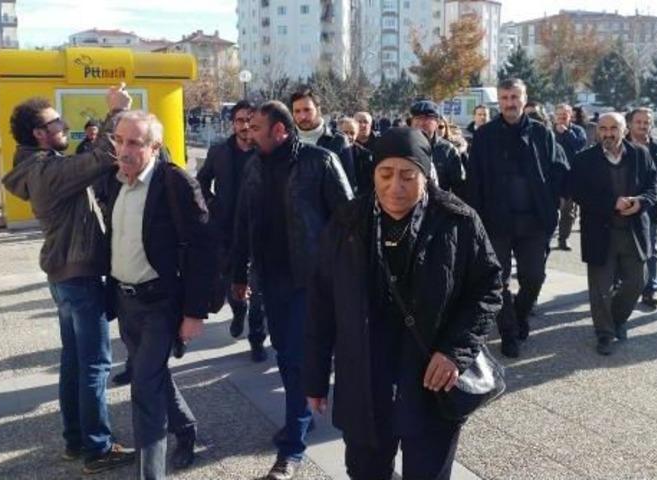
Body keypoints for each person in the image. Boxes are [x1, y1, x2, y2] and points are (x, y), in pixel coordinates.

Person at [304, 127, 502, 480]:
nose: (395, 187)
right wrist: (315, 379)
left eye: (408, 176)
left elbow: (488, 289)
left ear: (425, 176)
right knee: (365, 471)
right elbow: (321, 304)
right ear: (373, 173)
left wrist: (455, 352)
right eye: (386, 174)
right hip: (365, 379)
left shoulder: (458, 220)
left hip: (430, 375)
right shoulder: (347, 222)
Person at [1, 87, 135, 475]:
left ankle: (76, 440)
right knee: (94, 364)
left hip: (66, 276)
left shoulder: (40, 165)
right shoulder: (45, 170)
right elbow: (103, 156)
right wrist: (115, 113)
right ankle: (96, 448)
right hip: (77, 276)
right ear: (39, 134)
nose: (64, 126)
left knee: (75, 361)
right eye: (55, 122)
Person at [231, 100, 353, 480]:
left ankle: (292, 450)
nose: (249, 134)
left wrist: (343, 276)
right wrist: (237, 274)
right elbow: (242, 222)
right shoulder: (253, 165)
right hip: (270, 279)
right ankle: (300, 416)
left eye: (257, 128)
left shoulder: (319, 162)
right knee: (285, 355)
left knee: (297, 359)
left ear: (280, 131)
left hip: (310, 282)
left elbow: (348, 221)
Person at [96, 110, 215, 479]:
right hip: (124, 301)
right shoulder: (115, 181)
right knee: (154, 377)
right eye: (119, 140)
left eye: (134, 142)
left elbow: (203, 249)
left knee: (144, 390)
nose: (124, 149)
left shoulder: (174, 182)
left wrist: (194, 312)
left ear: (154, 147)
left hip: (161, 304)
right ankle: (186, 429)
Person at [466, 78, 569, 358]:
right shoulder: (485, 135)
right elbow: (474, 180)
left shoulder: (542, 133)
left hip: (534, 222)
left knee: (534, 277)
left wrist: (555, 202)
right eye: (505, 98)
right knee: (498, 281)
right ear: (498, 101)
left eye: (515, 97)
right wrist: (474, 221)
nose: (510, 103)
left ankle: (520, 314)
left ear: (525, 99)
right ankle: (509, 331)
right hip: (496, 222)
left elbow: (560, 170)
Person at [569, 112, 657, 355]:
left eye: (613, 128)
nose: (608, 133)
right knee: (601, 288)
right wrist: (612, 203)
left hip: (633, 232)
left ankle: (618, 319)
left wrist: (640, 201)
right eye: (603, 129)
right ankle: (605, 333)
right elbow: (578, 193)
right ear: (597, 131)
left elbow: (654, 187)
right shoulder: (584, 159)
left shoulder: (641, 154)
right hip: (600, 232)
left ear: (624, 129)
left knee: (637, 281)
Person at [197, 99, 268, 362]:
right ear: (233, 123)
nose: (246, 126)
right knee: (232, 284)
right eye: (240, 120)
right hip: (226, 231)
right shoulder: (219, 152)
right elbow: (201, 182)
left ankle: (257, 338)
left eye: (251, 121)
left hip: (260, 230)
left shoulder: (266, 152)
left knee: (258, 288)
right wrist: (213, 204)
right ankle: (239, 312)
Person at [626, 108, 657, 309]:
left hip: (652, 207)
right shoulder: (621, 145)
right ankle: (622, 286)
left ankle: (650, 290)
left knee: (651, 249)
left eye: (647, 122)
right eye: (639, 122)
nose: (643, 125)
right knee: (624, 250)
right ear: (629, 124)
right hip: (625, 206)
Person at [289, 89, 354, 186]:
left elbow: (348, 183)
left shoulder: (338, 141)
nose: (302, 116)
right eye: (297, 111)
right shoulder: (286, 141)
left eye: (307, 110)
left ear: (318, 109)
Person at [409, 100, 465, 195]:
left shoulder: (448, 150)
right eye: (417, 118)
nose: (422, 123)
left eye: (427, 119)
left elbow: (460, 186)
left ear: (437, 122)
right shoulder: (405, 147)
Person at [553, 103, 588, 251]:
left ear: (570, 116)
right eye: (559, 115)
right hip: (553, 177)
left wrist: (567, 133)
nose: (561, 118)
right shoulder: (548, 132)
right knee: (550, 210)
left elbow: (579, 146)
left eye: (565, 115)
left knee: (568, 212)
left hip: (571, 176)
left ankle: (563, 239)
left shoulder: (578, 130)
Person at [338, 116, 375, 196]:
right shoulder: (329, 152)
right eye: (345, 132)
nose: (349, 136)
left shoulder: (365, 155)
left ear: (357, 134)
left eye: (352, 133)